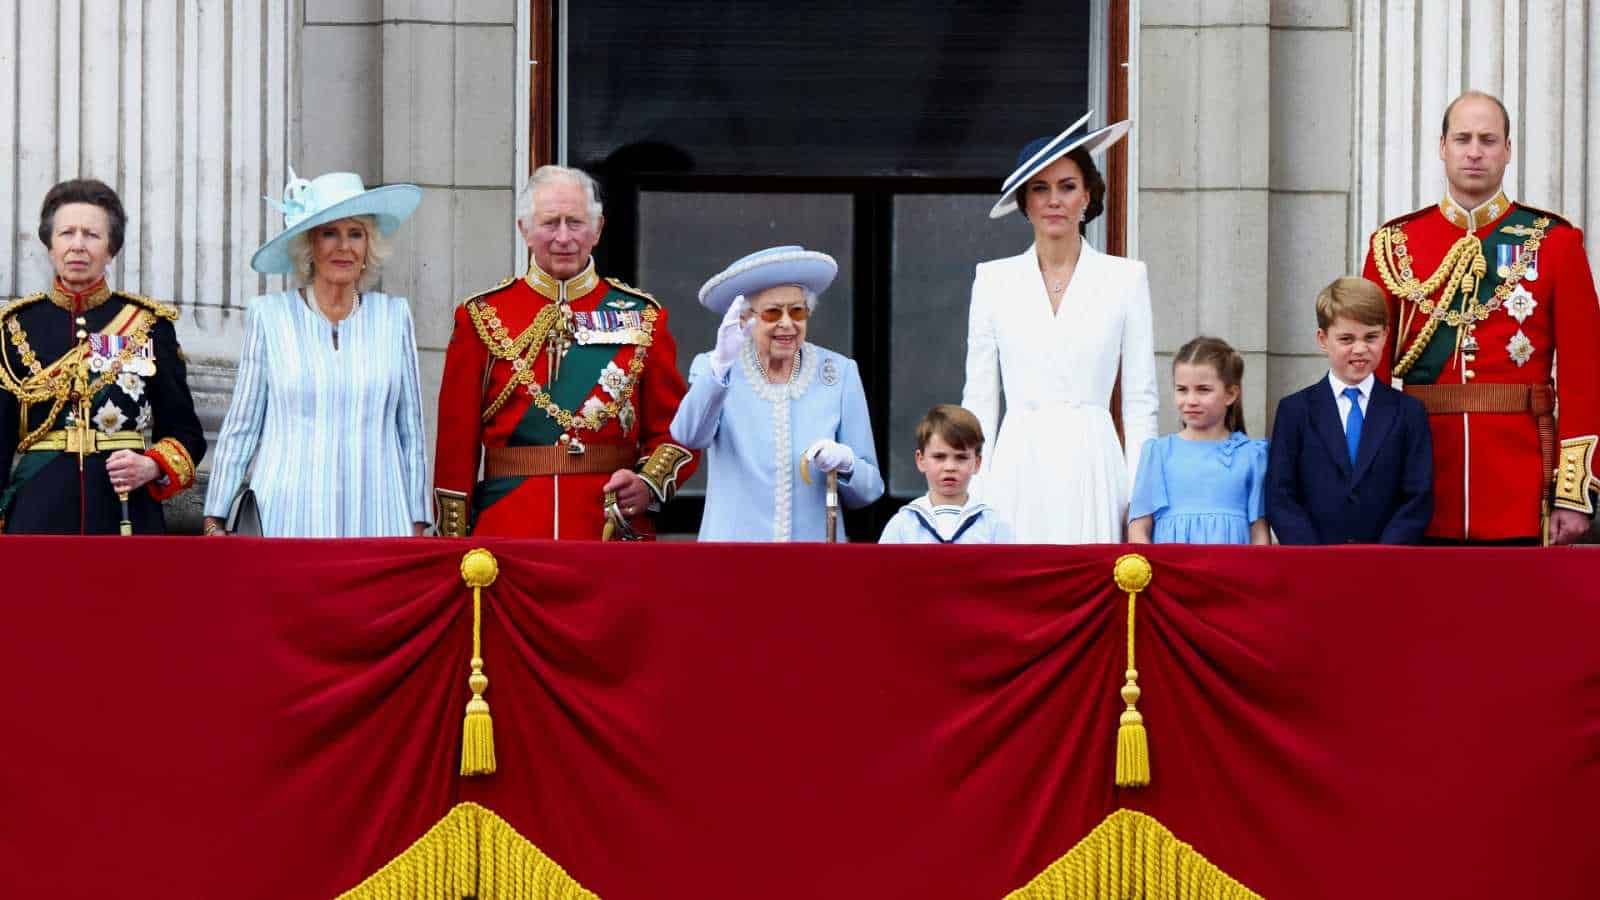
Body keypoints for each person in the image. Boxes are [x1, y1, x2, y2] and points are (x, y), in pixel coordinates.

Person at [1362, 90, 1600, 545]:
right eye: (1463, 138)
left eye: (1488, 140)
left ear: (1507, 150)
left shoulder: (1555, 243)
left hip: (1522, 486)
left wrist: (1572, 493)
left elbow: (1584, 375)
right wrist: (1372, 481)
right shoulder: (1394, 246)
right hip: (1419, 483)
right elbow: (1369, 374)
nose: (1475, 152)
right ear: (1442, 147)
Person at [433, 165, 697, 539]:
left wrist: (647, 483)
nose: (563, 237)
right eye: (549, 223)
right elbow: (455, 445)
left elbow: (678, 429)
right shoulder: (481, 315)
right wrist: (453, 543)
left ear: (598, 228)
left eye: (575, 222)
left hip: (609, 529)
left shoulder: (643, 316)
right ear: (524, 229)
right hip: (508, 528)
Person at [962, 112, 1158, 543]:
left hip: (1093, 461)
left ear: (1087, 196)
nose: (1054, 200)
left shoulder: (1125, 279)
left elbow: (1140, 402)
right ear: (1024, 202)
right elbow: (978, 399)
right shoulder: (993, 280)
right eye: (1040, 188)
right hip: (1018, 462)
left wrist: (1139, 500)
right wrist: (976, 490)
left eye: (1067, 187)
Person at [201, 171, 431, 537]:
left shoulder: (393, 317)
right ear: (309, 245)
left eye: (355, 234)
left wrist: (418, 518)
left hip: (379, 517)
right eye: (329, 233)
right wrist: (215, 515)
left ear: (368, 246)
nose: (344, 247)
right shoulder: (270, 316)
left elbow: (411, 431)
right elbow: (243, 425)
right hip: (287, 517)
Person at [0, 178, 205, 534]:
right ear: (50, 245)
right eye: (67, 233)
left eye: (92, 235)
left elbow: (185, 431)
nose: (78, 245)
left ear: (111, 249)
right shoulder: (15, 327)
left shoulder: (148, 325)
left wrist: (152, 465)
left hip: (124, 512)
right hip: (38, 511)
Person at [670, 245, 884, 541]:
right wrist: (720, 365)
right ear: (745, 319)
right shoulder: (714, 367)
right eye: (772, 313)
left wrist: (847, 464)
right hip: (733, 554)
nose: (787, 323)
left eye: (797, 311)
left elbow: (870, 489)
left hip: (812, 555)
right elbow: (688, 436)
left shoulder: (839, 373)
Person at [1266, 278, 1433, 545]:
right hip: (1315, 560)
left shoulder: (1408, 412)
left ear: (1386, 335)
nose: (1360, 349)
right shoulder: (1295, 410)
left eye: (1371, 337)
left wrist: (1384, 556)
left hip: (1386, 561)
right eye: (1346, 339)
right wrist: (1313, 556)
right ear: (1323, 339)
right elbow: (1281, 494)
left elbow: (1417, 496)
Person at [1128, 337, 1268, 545]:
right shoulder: (1158, 453)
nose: (1191, 400)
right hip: (1171, 565)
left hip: (1231, 565)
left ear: (1230, 394)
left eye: (1203, 390)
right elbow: (1139, 528)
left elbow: (1259, 532)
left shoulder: (1252, 455)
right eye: (1182, 389)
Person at [878, 404, 1012, 544]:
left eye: (961, 457)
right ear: (921, 460)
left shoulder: (993, 525)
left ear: (977, 463)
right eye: (939, 457)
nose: (950, 467)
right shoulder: (902, 525)